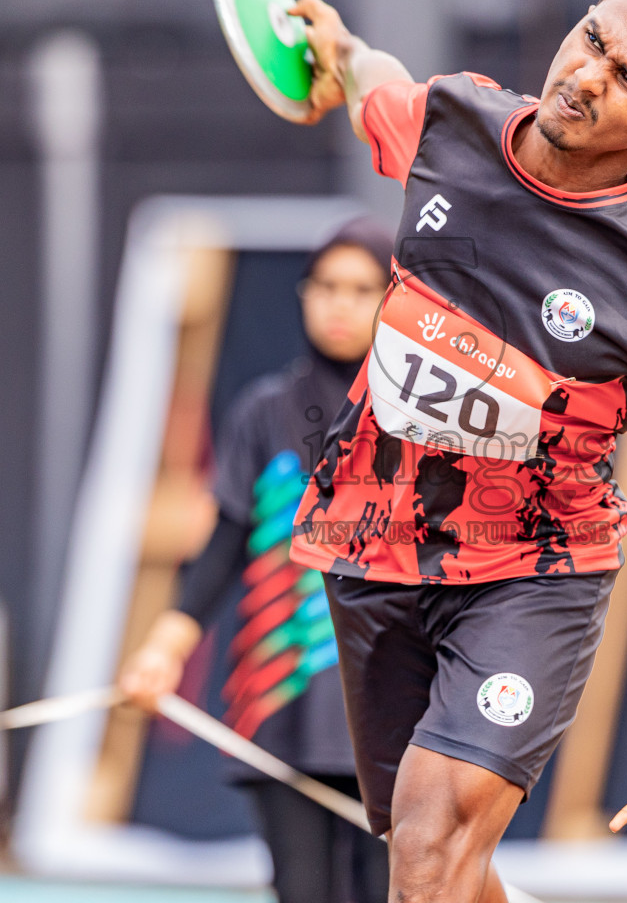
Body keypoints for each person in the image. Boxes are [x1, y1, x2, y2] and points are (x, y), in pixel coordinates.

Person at [280, 0, 627, 900]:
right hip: (374, 548)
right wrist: (340, 52)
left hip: (532, 576)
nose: (587, 76)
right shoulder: (451, 122)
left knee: (431, 844)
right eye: (594, 39)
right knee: (434, 854)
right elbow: (379, 86)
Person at [120, 219, 394, 903]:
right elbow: (225, 544)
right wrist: (162, 650)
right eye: (326, 286)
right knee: (301, 891)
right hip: (283, 699)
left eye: (361, 289)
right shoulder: (264, 412)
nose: (340, 304)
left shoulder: (424, 419)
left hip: (395, 706)